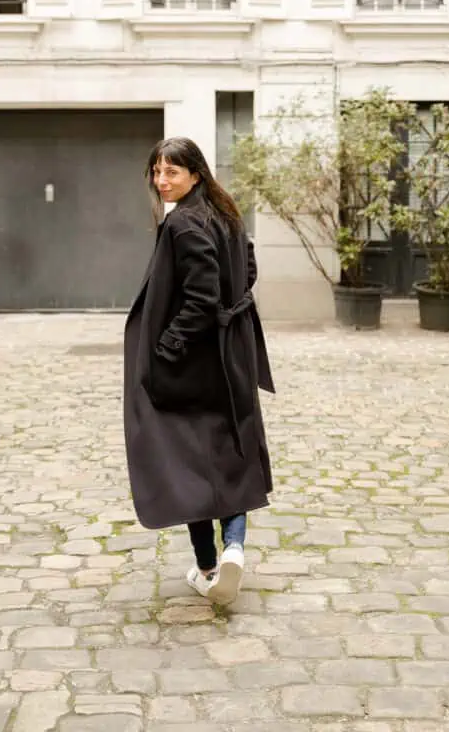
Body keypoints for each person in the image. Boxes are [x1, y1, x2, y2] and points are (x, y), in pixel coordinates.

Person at [123, 136, 275, 606]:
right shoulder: (225, 214)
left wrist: (168, 345)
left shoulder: (185, 224)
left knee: (187, 462)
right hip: (232, 357)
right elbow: (247, 270)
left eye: (172, 172)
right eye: (156, 171)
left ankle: (208, 566)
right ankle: (233, 550)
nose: (162, 181)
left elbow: (201, 298)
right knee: (232, 453)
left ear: (195, 174)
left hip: (194, 364)